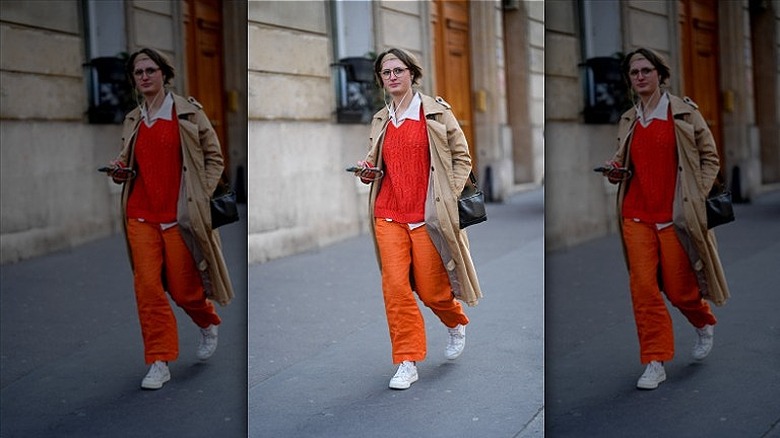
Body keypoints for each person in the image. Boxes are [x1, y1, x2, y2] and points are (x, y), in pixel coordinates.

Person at [351, 48, 483, 390]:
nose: (392, 77)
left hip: (426, 216)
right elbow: (374, 161)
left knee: (433, 292)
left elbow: (462, 156)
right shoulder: (381, 118)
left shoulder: (436, 112)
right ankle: (407, 361)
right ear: (381, 79)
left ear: (412, 73)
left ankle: (455, 323)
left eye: (398, 70)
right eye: (385, 72)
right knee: (395, 289)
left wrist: (448, 198)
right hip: (388, 213)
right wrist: (367, 173)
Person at [104, 48, 234, 390]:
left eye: (150, 70)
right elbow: (127, 159)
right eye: (138, 73)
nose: (144, 77)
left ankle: (206, 321)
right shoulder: (134, 118)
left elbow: (214, 157)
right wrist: (119, 172)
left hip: (179, 216)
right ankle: (159, 361)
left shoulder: (189, 113)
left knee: (185, 290)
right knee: (147, 290)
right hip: (140, 214)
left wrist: (201, 197)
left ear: (164, 73)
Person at [600, 47, 730, 390]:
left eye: (646, 70)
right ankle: (654, 360)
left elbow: (710, 158)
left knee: (680, 291)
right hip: (636, 215)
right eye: (634, 72)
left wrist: (696, 197)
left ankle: (702, 322)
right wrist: (616, 172)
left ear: (660, 74)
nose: (640, 76)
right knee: (643, 290)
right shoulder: (629, 118)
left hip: (674, 217)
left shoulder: (685, 113)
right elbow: (622, 160)